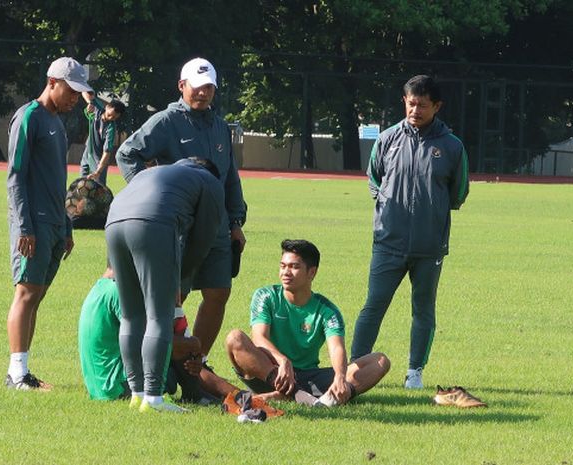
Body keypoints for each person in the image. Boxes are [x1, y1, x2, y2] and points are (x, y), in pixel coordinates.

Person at [115, 57, 247, 358]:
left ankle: (196, 363)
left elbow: (229, 177)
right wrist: (149, 195)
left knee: (218, 292)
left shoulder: (220, 126)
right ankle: (161, 362)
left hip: (217, 224)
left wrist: (236, 222)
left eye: (209, 88)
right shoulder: (166, 121)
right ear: (181, 86)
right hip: (179, 225)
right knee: (174, 298)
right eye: (197, 88)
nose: (203, 93)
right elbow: (127, 154)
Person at [350, 75, 470, 389]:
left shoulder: (452, 147)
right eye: (411, 102)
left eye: (423, 104)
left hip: (430, 246)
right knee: (373, 305)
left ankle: (415, 372)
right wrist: (388, 207)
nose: (415, 109)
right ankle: (354, 368)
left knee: (423, 309)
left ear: (437, 106)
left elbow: (459, 192)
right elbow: (374, 179)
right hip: (388, 241)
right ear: (404, 101)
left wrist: (432, 212)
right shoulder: (387, 139)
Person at [105, 157, 225, 413]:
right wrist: (181, 277)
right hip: (152, 224)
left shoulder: (157, 173)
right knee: (159, 317)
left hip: (113, 222)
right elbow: (202, 239)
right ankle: (154, 398)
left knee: (131, 315)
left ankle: (136, 393)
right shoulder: (210, 182)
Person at [5, 57, 93, 390]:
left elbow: (58, 180)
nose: (74, 98)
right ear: (52, 82)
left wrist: (67, 226)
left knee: (36, 295)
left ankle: (23, 370)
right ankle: (16, 374)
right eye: (70, 90)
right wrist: (25, 226)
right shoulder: (30, 116)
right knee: (26, 293)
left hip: (55, 223)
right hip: (34, 224)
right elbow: (16, 175)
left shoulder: (58, 122)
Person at [225, 240, 390, 407]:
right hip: (268, 372)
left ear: (312, 273)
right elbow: (259, 337)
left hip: (308, 377)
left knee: (380, 361)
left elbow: (336, 348)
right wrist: (282, 361)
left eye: (294, 267)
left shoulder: (327, 310)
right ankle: (296, 394)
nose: (285, 272)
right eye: (283, 266)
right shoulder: (266, 296)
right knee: (234, 338)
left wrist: (340, 377)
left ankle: (328, 399)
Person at [78, 264, 242, 402]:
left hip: (101, 386)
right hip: (119, 387)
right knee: (178, 346)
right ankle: (214, 396)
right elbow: (152, 340)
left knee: (176, 342)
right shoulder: (119, 291)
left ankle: (229, 395)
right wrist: (193, 344)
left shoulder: (100, 287)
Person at [80, 91, 126, 185]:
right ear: (107, 107)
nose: (110, 118)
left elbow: (107, 152)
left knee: (99, 191)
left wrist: (98, 172)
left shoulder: (111, 129)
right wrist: (89, 103)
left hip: (98, 160)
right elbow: (84, 92)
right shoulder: (97, 109)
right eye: (109, 115)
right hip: (87, 154)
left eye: (114, 118)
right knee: (82, 185)